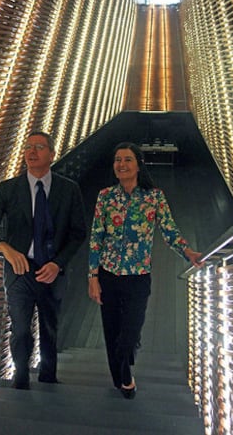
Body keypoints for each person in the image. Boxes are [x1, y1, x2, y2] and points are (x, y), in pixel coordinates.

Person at [0, 131, 87, 389]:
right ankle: (20, 378)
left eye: (39, 147)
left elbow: (78, 233)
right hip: (19, 270)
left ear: (52, 154)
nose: (31, 152)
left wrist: (58, 263)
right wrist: (5, 249)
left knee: (49, 329)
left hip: (51, 270)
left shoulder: (68, 190)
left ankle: (48, 379)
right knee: (21, 329)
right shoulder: (9, 189)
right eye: (28, 147)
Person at [88, 142, 203, 399]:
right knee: (111, 329)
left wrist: (188, 252)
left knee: (131, 330)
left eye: (128, 159)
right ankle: (122, 376)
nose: (122, 164)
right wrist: (92, 276)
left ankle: (124, 364)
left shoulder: (154, 197)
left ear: (138, 165)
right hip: (108, 274)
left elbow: (169, 230)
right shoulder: (106, 196)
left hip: (138, 276)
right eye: (118, 160)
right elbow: (96, 237)